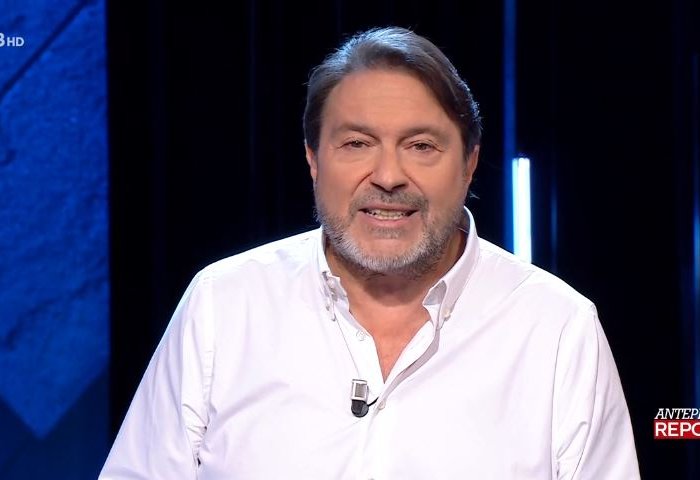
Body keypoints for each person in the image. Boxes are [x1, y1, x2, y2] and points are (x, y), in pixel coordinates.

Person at [100, 26, 640, 479]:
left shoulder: (557, 327)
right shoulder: (224, 303)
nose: (387, 176)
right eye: (357, 144)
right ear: (314, 160)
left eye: (421, 146)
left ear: (470, 164)